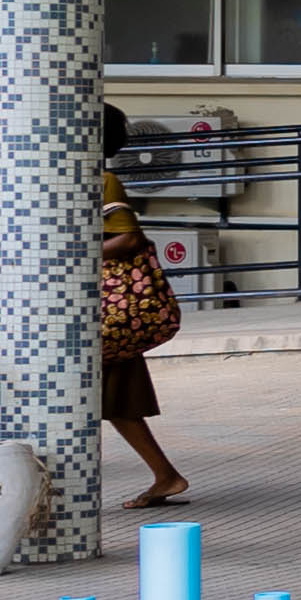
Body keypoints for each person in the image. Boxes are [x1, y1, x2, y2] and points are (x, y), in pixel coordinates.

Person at [95, 108, 192, 510]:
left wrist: (71, 256)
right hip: (109, 312)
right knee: (119, 398)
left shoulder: (103, 181)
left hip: (105, 307)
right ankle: (165, 475)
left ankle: (166, 475)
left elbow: (129, 238)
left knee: (118, 395)